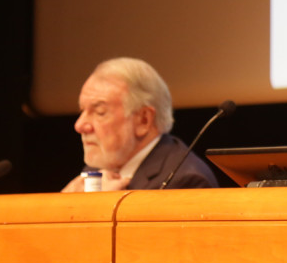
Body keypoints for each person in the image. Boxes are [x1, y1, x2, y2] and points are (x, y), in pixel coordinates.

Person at [60, 57, 218, 192]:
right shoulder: (99, 169)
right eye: (82, 111)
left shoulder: (185, 181)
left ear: (144, 120)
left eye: (100, 112)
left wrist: (100, 206)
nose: (80, 125)